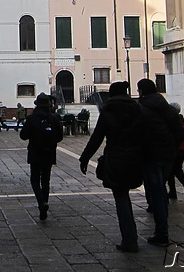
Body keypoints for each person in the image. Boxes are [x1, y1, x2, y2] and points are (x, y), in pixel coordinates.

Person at [79, 81, 144, 253]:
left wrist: (85, 158)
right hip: (135, 158)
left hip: (116, 157)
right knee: (126, 196)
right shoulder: (137, 109)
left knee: (121, 197)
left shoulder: (109, 109)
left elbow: (97, 137)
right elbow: (146, 134)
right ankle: (133, 237)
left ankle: (130, 239)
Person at [137, 78, 184, 247]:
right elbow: (179, 131)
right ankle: (161, 224)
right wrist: (172, 147)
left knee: (156, 191)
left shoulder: (141, 108)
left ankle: (162, 232)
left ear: (141, 91)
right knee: (160, 189)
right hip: (168, 155)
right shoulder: (167, 108)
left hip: (151, 155)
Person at [20, 93, 64, 221]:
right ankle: (44, 205)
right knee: (46, 180)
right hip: (49, 152)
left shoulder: (32, 118)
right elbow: (60, 137)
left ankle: (41, 203)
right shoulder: (54, 118)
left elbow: (23, 135)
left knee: (34, 180)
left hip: (35, 152)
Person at [167, 102, 184, 199]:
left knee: (173, 170)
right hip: (183, 148)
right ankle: (174, 191)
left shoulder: (174, 120)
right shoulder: (181, 119)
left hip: (176, 148)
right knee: (176, 169)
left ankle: (178, 188)